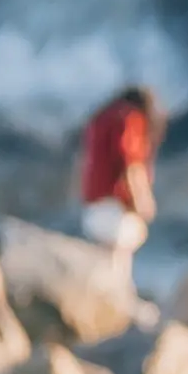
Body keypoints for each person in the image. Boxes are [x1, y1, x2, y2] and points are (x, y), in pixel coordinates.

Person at [72, 82, 159, 262]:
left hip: (92, 207)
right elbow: (129, 163)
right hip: (114, 209)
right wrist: (142, 200)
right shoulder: (129, 119)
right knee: (129, 243)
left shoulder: (100, 119)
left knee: (105, 260)